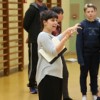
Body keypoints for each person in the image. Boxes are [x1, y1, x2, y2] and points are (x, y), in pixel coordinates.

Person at [36, 10, 80, 100]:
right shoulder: (43, 35)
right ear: (44, 22)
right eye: (52, 20)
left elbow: (57, 39)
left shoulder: (49, 35)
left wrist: (69, 30)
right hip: (47, 76)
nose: (55, 22)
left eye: (56, 20)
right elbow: (54, 51)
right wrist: (66, 38)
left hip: (55, 75)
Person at [76, 3, 100, 100]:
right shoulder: (81, 25)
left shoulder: (98, 25)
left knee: (94, 75)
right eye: (88, 12)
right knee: (83, 75)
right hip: (85, 55)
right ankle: (84, 94)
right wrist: (80, 58)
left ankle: (94, 92)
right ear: (85, 13)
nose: (90, 13)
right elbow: (79, 44)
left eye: (92, 11)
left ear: (95, 12)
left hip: (95, 55)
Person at [23, 0, 47, 94]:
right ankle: (32, 84)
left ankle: (39, 83)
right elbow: (25, 24)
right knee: (34, 63)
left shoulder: (45, 8)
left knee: (43, 62)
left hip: (44, 39)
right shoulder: (32, 9)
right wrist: (32, 33)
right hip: (34, 40)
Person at [51, 6, 72, 100]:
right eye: (61, 14)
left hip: (59, 53)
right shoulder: (51, 28)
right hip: (53, 54)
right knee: (61, 74)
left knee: (65, 74)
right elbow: (54, 42)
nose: (62, 16)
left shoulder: (58, 26)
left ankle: (66, 96)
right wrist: (65, 37)